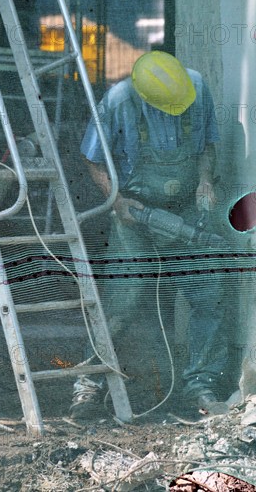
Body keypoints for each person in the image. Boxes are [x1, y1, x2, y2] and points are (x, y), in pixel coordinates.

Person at [70, 51, 230, 420]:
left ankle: (201, 385)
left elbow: (207, 144)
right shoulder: (119, 100)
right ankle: (88, 385)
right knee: (123, 301)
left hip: (186, 209)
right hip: (135, 211)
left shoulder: (197, 87)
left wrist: (205, 180)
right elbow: (92, 158)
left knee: (210, 295)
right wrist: (116, 200)